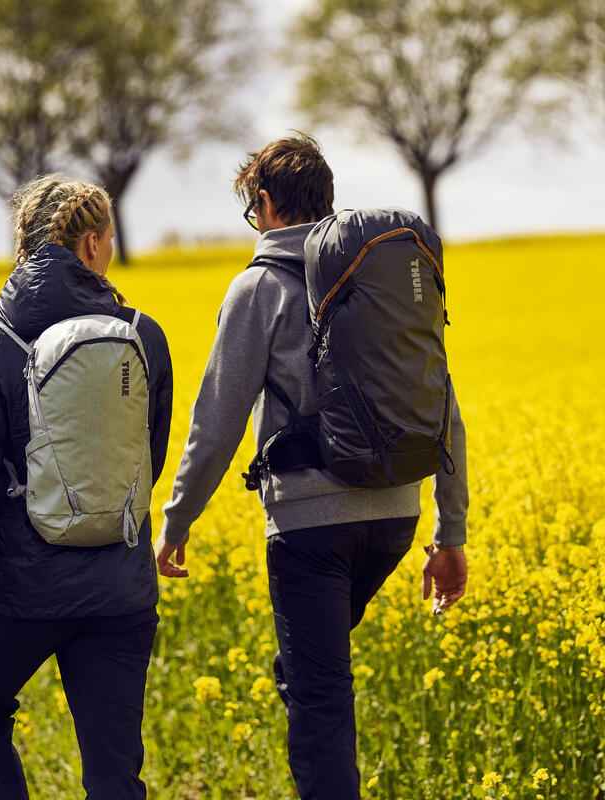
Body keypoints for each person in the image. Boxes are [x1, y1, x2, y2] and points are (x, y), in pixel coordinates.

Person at [155, 134, 468, 800]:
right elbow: (444, 406)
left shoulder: (258, 287)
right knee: (304, 673)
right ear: (325, 201)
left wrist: (176, 520)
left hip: (309, 531)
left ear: (264, 204)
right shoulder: (381, 282)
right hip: (396, 518)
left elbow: (216, 424)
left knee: (320, 701)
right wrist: (450, 535)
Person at [0, 175, 173, 800]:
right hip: (120, 590)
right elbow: (147, 457)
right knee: (115, 773)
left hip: (21, 593)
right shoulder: (143, 334)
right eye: (111, 238)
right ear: (91, 245)